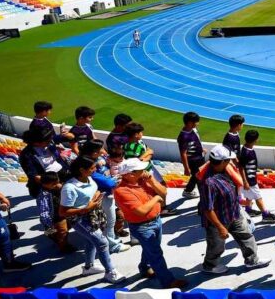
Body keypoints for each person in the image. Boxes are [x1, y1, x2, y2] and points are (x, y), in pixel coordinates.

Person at [114, 158, 188, 288]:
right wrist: (156, 198)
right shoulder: (122, 191)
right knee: (156, 254)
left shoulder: (144, 180)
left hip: (156, 220)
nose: (144, 171)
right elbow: (141, 211)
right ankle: (168, 281)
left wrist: (152, 180)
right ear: (130, 174)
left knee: (150, 248)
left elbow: (164, 192)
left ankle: (144, 268)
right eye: (140, 169)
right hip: (142, 227)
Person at [198, 145, 270, 274]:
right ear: (221, 162)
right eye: (228, 160)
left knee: (246, 236)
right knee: (216, 246)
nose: (230, 162)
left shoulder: (226, 170)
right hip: (219, 221)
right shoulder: (208, 182)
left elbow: (231, 190)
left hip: (234, 213)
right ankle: (209, 265)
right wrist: (220, 227)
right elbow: (208, 209)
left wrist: (241, 203)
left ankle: (252, 260)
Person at [60, 156, 123, 283]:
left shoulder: (89, 178)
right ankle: (110, 272)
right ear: (82, 170)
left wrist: (96, 196)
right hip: (80, 219)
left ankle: (89, 267)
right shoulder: (69, 188)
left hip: (93, 214)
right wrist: (85, 208)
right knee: (102, 242)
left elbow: (95, 190)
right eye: (92, 168)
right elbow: (63, 212)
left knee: (91, 241)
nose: (95, 169)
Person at [238, 130, 275, 222]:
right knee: (258, 197)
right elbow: (241, 167)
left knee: (249, 195)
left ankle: (248, 210)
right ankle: (265, 215)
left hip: (250, 179)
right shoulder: (246, 152)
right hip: (250, 180)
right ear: (255, 140)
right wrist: (245, 181)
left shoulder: (246, 149)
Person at [19, 127, 68, 200]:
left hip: (63, 174)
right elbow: (35, 176)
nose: (50, 142)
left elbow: (66, 137)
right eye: (48, 141)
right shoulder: (26, 155)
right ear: (36, 142)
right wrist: (54, 184)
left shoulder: (49, 143)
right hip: (50, 182)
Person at [37, 172, 74, 253]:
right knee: (62, 232)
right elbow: (44, 211)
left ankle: (52, 234)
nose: (57, 185)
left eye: (58, 182)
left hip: (63, 213)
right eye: (54, 184)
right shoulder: (43, 196)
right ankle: (64, 247)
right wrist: (48, 223)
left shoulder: (55, 188)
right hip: (56, 217)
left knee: (66, 227)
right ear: (44, 184)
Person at [177, 112, 206, 200]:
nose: (198, 124)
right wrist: (186, 168)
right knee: (199, 177)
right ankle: (203, 197)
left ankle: (188, 191)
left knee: (196, 176)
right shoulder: (183, 136)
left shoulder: (193, 130)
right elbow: (183, 153)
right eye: (196, 122)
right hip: (193, 161)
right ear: (190, 122)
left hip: (200, 158)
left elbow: (197, 140)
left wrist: (202, 149)